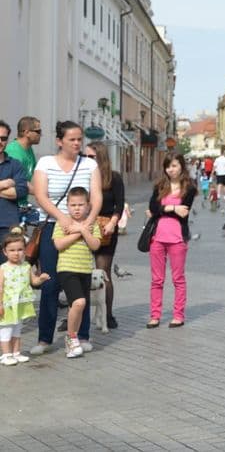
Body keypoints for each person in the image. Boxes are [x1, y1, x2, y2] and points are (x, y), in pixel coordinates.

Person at [31, 121, 101, 356]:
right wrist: (62, 218)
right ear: (59, 141)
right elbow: (41, 195)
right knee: (50, 282)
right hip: (53, 226)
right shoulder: (46, 163)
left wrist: (88, 223)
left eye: (80, 139)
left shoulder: (89, 164)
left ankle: (82, 335)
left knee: (81, 281)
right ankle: (44, 338)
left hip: (81, 227)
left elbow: (97, 197)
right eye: (72, 139)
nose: (77, 143)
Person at [146, 153, 196, 329]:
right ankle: (155, 315)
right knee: (157, 279)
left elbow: (185, 211)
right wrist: (173, 207)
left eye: (174, 165)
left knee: (178, 278)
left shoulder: (189, 187)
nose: (171, 169)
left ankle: (178, 315)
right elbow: (152, 207)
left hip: (177, 238)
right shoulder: (160, 185)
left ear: (181, 166)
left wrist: (161, 209)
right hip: (157, 237)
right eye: (168, 166)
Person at [53, 187, 101, 358]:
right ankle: (71, 337)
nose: (77, 208)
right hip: (67, 268)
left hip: (85, 270)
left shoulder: (92, 224)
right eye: (73, 205)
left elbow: (95, 245)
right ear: (67, 206)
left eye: (81, 204)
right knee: (79, 303)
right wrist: (77, 232)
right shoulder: (63, 223)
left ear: (88, 206)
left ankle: (73, 339)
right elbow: (59, 245)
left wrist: (82, 230)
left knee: (78, 307)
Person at [85, 141, 125, 329]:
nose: (87, 160)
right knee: (79, 272)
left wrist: (112, 223)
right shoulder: (82, 176)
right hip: (85, 227)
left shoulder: (114, 178)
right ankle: (77, 315)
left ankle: (107, 315)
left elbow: (120, 204)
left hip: (106, 229)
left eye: (91, 157)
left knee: (104, 271)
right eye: (84, 156)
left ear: (101, 157)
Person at [0, 227, 50, 365]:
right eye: (12, 250)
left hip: (21, 303)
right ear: (5, 252)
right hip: (8, 304)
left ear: (24, 250)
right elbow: (0, 288)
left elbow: (33, 281)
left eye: (20, 249)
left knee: (17, 329)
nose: (16, 253)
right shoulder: (3, 268)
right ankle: (6, 355)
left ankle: (16, 353)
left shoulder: (26, 266)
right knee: (6, 329)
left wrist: (41, 278)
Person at [0, 119, 28, 250]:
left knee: (8, 269)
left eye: (3, 138)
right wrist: (5, 183)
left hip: (7, 225)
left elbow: (20, 191)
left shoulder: (15, 164)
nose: (0, 141)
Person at [4, 115, 40, 209]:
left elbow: (34, 178)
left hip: (23, 204)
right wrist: (43, 194)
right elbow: (20, 182)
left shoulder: (28, 149)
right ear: (27, 132)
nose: (40, 134)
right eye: (38, 131)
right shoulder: (14, 151)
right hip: (11, 206)